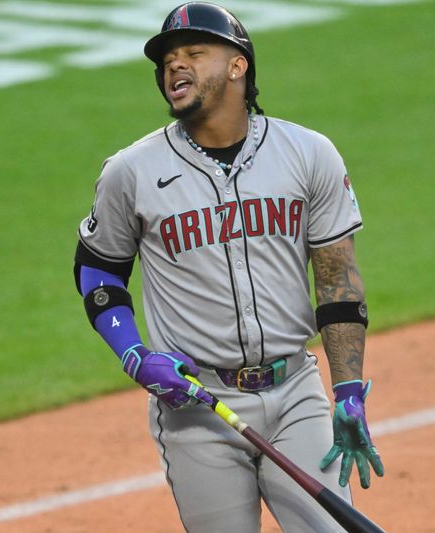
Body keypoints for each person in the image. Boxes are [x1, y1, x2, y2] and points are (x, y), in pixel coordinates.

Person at [73, 3, 383, 531]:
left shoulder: (308, 154)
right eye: (168, 60)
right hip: (198, 407)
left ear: (237, 66)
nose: (175, 67)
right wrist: (133, 353)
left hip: (296, 394)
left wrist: (348, 389)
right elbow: (98, 271)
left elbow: (337, 280)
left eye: (194, 53)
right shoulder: (132, 172)